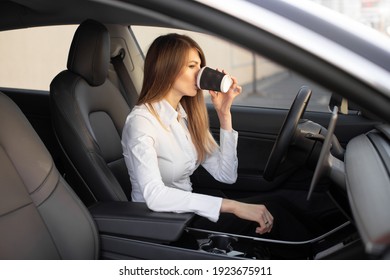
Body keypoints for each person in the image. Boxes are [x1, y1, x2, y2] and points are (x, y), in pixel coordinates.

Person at [122, 33, 314, 241]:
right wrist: (233, 206)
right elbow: (154, 197)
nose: (200, 74)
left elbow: (226, 175)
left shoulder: (185, 117)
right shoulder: (141, 122)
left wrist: (224, 115)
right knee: (274, 211)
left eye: (200, 66)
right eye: (192, 66)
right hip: (163, 224)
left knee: (279, 204)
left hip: (187, 214)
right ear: (167, 68)